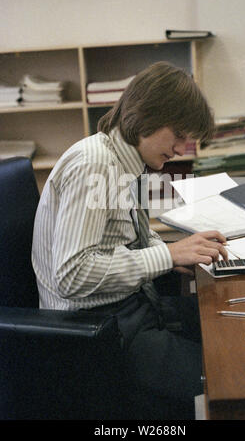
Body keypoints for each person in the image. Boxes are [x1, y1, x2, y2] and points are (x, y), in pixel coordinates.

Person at [32, 61, 227, 419]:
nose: (182, 149)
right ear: (148, 116)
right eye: (179, 134)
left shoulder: (121, 160)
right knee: (228, 382)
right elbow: (72, 274)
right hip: (99, 329)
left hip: (130, 308)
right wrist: (166, 255)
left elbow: (127, 237)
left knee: (225, 329)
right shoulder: (95, 166)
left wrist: (174, 252)